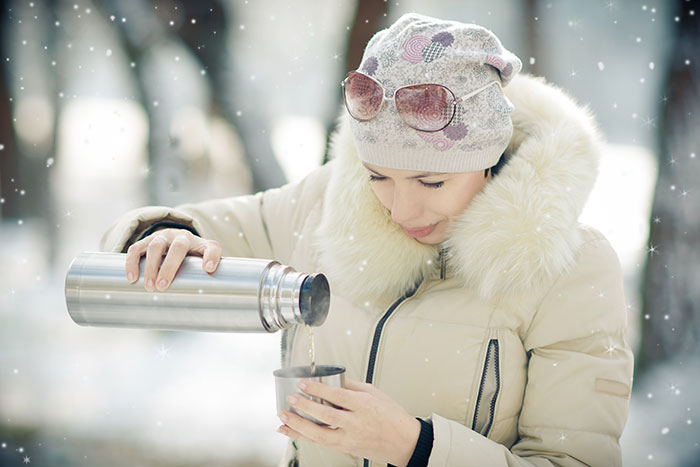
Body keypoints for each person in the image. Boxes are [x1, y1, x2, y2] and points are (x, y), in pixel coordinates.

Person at [100, 13, 634, 467]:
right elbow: (206, 226)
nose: (401, 210)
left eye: (431, 182)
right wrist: (166, 235)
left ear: (488, 161)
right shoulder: (329, 202)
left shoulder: (573, 269)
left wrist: (416, 446)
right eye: (379, 176)